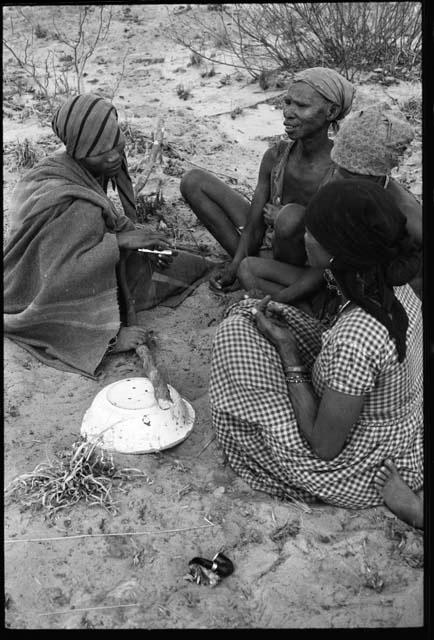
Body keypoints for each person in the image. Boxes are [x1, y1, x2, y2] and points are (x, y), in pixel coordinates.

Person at [209, 180, 423, 529]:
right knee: (250, 317)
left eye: (312, 232)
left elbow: (325, 447)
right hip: (404, 432)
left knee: (235, 336)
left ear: (338, 251)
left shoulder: (357, 338)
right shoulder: (393, 284)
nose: (303, 236)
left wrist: (289, 354)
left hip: (368, 466)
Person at [4, 94, 210, 378]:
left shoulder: (77, 167)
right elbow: (65, 273)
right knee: (192, 270)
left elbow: (110, 225)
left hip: (66, 261)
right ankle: (106, 338)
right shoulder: (74, 204)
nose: (114, 156)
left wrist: (138, 241)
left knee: (190, 262)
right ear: (77, 150)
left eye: (116, 143)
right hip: (48, 285)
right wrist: (122, 242)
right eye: (101, 151)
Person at [180, 67, 355, 292]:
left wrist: (287, 216)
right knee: (194, 181)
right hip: (267, 244)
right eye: (288, 102)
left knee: (290, 218)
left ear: (331, 112)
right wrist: (234, 268)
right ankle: (247, 266)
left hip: (304, 265)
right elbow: (254, 224)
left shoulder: (340, 172)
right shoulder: (276, 156)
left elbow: (330, 246)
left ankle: (263, 274)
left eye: (301, 106)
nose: (288, 112)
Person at [238, 106, 422, 307]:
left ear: (376, 173)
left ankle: (312, 312)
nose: (337, 176)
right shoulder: (347, 188)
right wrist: (283, 298)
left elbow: (406, 290)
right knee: (248, 269)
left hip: (372, 302)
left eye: (349, 172)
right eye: (338, 167)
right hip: (333, 279)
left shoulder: (408, 218)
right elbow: (327, 265)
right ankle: (309, 307)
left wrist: (281, 299)